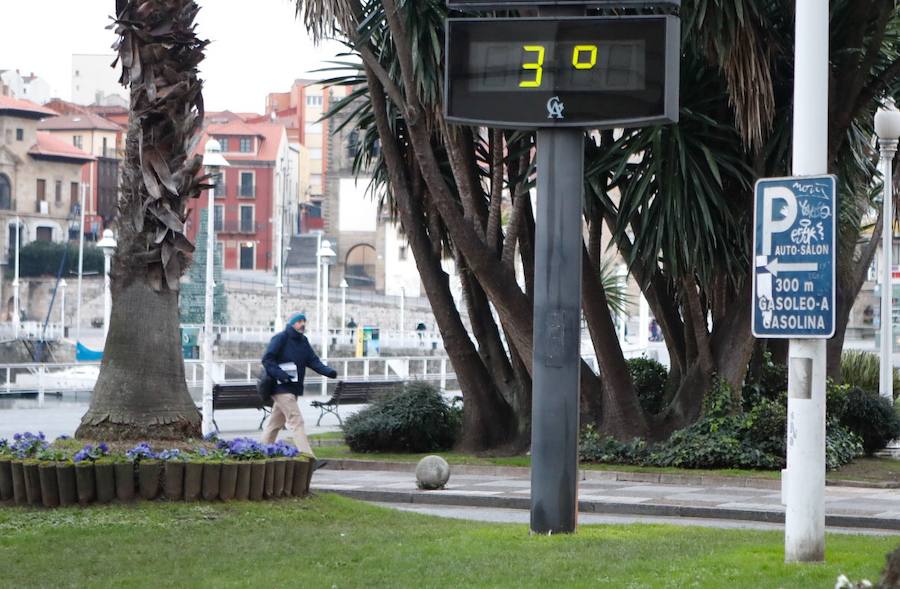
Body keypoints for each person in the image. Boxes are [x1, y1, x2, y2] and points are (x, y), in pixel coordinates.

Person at [261, 313, 337, 467]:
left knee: (274, 424)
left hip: (293, 389)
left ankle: (260, 455)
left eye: (304, 321)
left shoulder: (303, 341)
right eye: (299, 321)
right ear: (292, 323)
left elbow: (313, 361)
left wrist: (328, 372)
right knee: (297, 421)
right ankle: (309, 460)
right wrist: (281, 375)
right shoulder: (280, 338)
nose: (302, 324)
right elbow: (267, 359)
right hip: (280, 387)